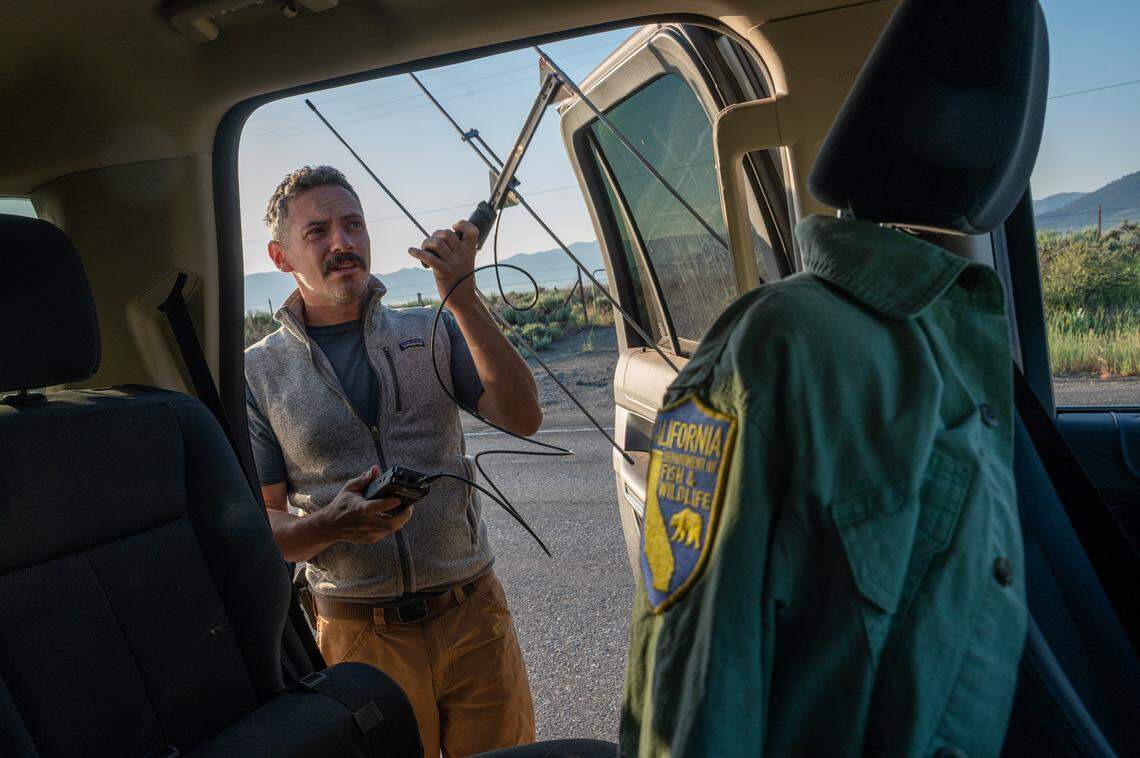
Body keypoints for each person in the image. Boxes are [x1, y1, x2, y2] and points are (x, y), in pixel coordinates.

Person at [244, 165, 541, 758]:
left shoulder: (430, 330)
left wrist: (463, 297)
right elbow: (267, 527)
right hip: (357, 638)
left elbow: (522, 416)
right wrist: (330, 524)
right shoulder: (259, 373)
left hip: (473, 615)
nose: (342, 244)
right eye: (319, 231)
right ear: (282, 256)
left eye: (353, 225)